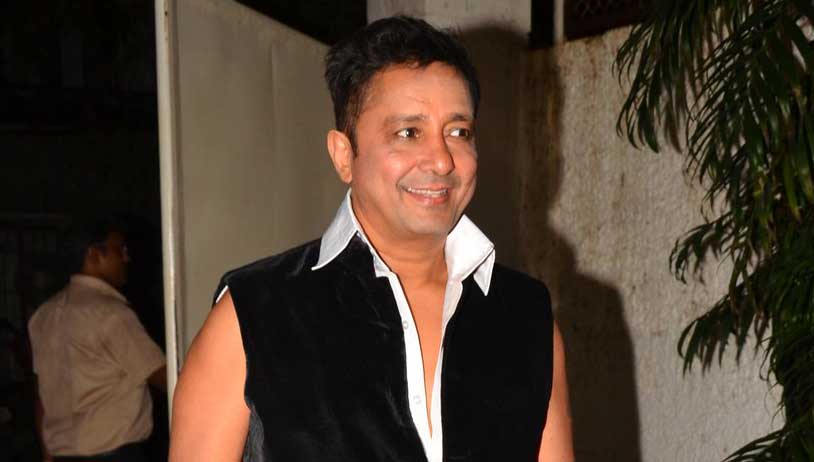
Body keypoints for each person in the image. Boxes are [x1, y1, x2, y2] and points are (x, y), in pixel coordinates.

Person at [170, 16, 573, 462]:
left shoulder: (527, 318)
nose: (441, 160)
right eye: (409, 133)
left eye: (458, 132)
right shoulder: (253, 315)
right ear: (344, 155)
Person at [28, 217, 166, 462]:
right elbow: (162, 376)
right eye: (120, 250)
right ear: (93, 254)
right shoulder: (111, 313)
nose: (126, 258)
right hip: (113, 455)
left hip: (63, 455)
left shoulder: (44, 315)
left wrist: (47, 455)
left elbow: (43, 393)